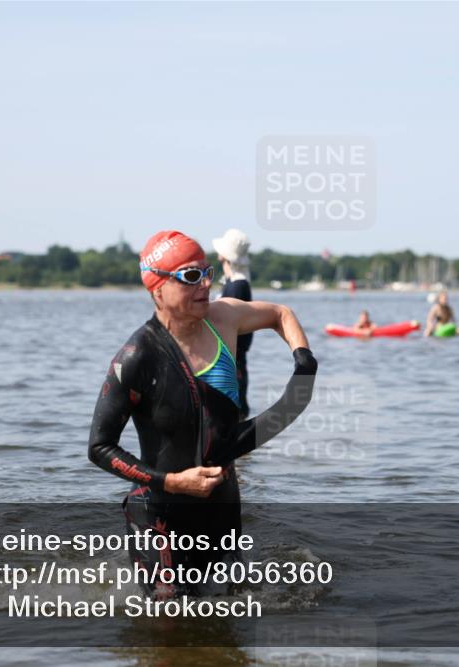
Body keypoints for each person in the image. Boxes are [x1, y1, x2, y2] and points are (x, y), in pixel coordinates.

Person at [88, 230, 317, 598]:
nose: (205, 285)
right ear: (157, 288)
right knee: (169, 625)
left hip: (222, 504)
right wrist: (173, 482)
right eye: (190, 277)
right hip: (161, 512)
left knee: (230, 612)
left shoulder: (222, 318)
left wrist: (302, 358)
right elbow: (99, 447)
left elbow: (281, 314)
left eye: (206, 273)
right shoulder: (135, 358)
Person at [212, 228, 253, 418]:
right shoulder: (231, 282)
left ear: (224, 256)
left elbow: (232, 323)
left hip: (233, 356)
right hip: (228, 355)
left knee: (234, 409)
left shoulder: (238, 285)